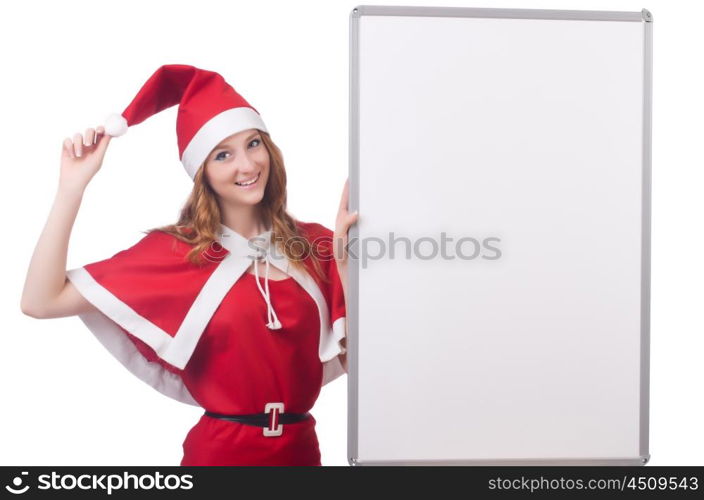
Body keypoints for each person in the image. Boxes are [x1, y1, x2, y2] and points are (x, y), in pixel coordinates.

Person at [20, 64, 358, 466]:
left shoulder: (316, 243)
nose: (248, 166)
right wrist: (70, 190)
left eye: (253, 144)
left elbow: (360, 356)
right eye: (223, 154)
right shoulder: (177, 253)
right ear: (203, 173)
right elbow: (40, 301)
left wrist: (346, 262)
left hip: (301, 453)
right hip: (220, 458)